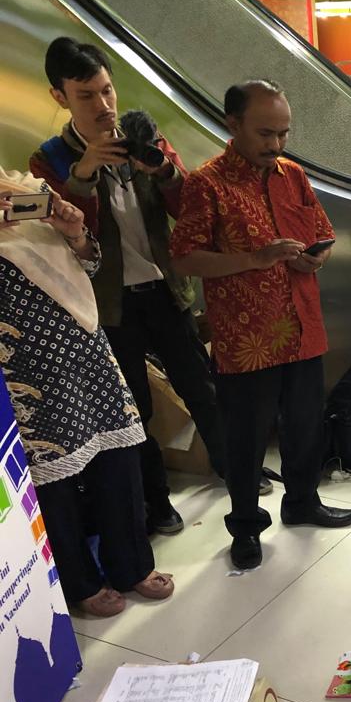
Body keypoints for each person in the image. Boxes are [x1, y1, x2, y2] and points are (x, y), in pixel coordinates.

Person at [28, 37, 265, 538]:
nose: (104, 105)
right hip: (108, 306)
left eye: (107, 90)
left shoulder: (140, 131)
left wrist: (161, 169)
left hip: (164, 287)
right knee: (134, 406)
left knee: (202, 387)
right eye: (87, 95)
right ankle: (156, 502)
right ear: (60, 97)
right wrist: (85, 173)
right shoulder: (49, 159)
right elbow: (71, 236)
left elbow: (187, 207)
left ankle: (237, 473)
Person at [170, 80, 351, 570]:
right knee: (246, 437)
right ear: (233, 125)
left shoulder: (292, 174)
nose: (276, 144)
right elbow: (185, 258)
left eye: (283, 133)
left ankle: (301, 502)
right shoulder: (205, 183)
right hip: (245, 339)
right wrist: (254, 258)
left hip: (301, 326)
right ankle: (247, 527)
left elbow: (323, 234)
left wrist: (316, 259)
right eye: (265, 133)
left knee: (304, 426)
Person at [0, 169, 173, 617]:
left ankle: (132, 565)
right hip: (24, 368)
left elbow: (92, 265)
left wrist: (75, 233)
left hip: (84, 347)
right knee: (53, 480)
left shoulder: (25, 188)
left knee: (119, 458)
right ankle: (80, 582)